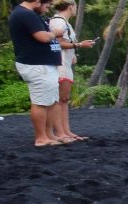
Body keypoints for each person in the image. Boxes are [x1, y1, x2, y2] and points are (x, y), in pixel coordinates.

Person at [10, 0, 63, 147]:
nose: (47, 9)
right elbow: (43, 37)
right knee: (41, 102)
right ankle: (41, 137)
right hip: (36, 64)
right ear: (38, 2)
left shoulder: (28, 14)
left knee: (51, 101)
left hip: (44, 64)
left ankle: (49, 134)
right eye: (46, 5)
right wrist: (55, 33)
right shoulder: (25, 14)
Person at [47, 0, 93, 144]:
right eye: (75, 7)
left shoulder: (65, 23)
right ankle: (60, 133)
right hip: (60, 66)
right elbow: (58, 43)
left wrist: (73, 53)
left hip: (65, 64)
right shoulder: (58, 22)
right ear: (70, 6)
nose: (76, 10)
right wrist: (80, 44)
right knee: (60, 101)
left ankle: (66, 131)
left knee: (64, 100)